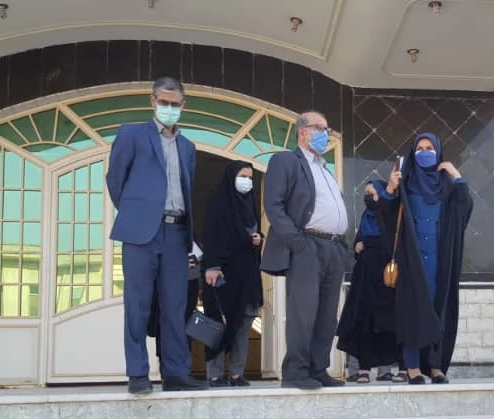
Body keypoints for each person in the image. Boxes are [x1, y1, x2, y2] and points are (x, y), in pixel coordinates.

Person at [106, 76, 205, 394]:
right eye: (164, 102)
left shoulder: (188, 147)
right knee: (138, 304)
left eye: (175, 104)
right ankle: (137, 373)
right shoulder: (131, 134)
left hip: (177, 233)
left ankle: (175, 372)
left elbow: (189, 189)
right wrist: (137, 212)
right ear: (152, 101)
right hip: (141, 233)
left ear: (184, 105)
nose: (169, 108)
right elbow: (116, 180)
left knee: (176, 306)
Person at [374, 133, 472, 385]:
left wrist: (455, 173)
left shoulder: (446, 184)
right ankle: (413, 367)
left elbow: (465, 206)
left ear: (438, 152)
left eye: (430, 148)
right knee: (412, 311)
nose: (425, 152)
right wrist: (390, 188)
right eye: (419, 148)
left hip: (439, 258)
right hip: (412, 257)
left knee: (438, 310)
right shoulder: (405, 181)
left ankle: (435, 366)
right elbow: (385, 213)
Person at [260, 111, 349, 390]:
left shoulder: (325, 168)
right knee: (304, 312)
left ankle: (317, 368)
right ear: (302, 132)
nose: (326, 134)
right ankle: (296, 372)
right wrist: (297, 241)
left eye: (327, 128)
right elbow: (273, 205)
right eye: (319, 128)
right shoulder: (286, 161)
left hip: (333, 247)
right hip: (307, 244)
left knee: (327, 315)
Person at [202, 160, 263, 387]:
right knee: (216, 322)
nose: (247, 182)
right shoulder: (218, 203)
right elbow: (210, 236)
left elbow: (253, 233)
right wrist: (212, 266)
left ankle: (237, 373)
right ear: (231, 178)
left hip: (246, 272)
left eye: (250, 178)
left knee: (243, 321)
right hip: (222, 273)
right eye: (242, 176)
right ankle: (215, 374)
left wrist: (258, 239)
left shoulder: (250, 204)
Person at [336, 180, 404, 384]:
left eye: (372, 193)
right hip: (364, 278)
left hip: (385, 278)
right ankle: (362, 370)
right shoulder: (366, 216)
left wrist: (372, 245)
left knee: (386, 322)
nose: (368, 197)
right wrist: (357, 247)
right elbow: (359, 241)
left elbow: (393, 242)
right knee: (364, 321)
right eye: (366, 193)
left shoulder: (390, 214)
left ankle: (386, 369)